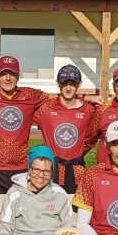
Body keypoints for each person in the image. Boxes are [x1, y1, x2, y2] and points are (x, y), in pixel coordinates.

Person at [0, 145, 74, 235]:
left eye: (46, 171)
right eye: (36, 170)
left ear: (52, 172)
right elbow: (5, 225)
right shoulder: (15, 193)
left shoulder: (59, 194)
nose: (41, 175)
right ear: (29, 169)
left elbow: (69, 226)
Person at [0, 56, 49, 194]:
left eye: (12, 74)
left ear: (18, 76)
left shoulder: (30, 95)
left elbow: (59, 100)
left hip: (20, 167)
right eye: (3, 74)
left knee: (19, 212)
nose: (8, 78)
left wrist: (87, 98)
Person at [33, 64, 96, 193]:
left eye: (72, 83)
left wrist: (79, 152)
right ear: (58, 84)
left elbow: (93, 136)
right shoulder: (46, 108)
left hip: (77, 170)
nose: (68, 88)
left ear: (79, 84)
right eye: (64, 83)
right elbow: (22, 109)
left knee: (75, 209)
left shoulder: (89, 110)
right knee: (49, 209)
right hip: (51, 169)